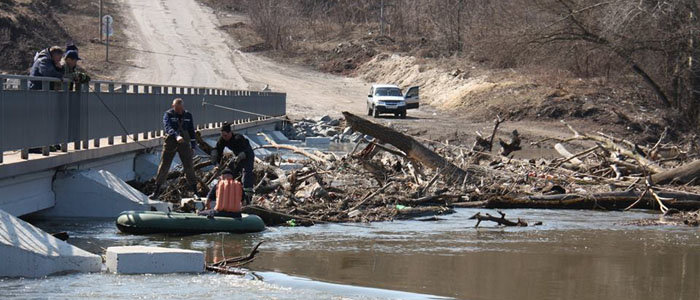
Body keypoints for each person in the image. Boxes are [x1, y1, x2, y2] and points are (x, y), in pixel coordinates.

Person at [150, 98, 199, 199]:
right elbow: (168, 127)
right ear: (173, 106)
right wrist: (176, 136)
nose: (179, 111)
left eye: (181, 108)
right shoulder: (168, 114)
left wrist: (193, 146)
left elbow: (191, 131)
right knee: (164, 165)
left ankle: (195, 191)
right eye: (177, 108)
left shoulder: (188, 115)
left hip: (184, 142)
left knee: (189, 166)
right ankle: (157, 191)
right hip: (171, 141)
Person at [211, 122, 255, 203]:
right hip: (236, 157)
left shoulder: (238, 138)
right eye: (223, 135)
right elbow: (217, 150)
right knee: (230, 173)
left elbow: (247, 150)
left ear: (230, 133)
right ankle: (229, 193)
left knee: (246, 174)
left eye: (226, 135)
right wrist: (216, 163)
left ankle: (248, 197)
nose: (224, 137)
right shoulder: (223, 140)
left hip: (247, 155)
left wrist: (241, 156)